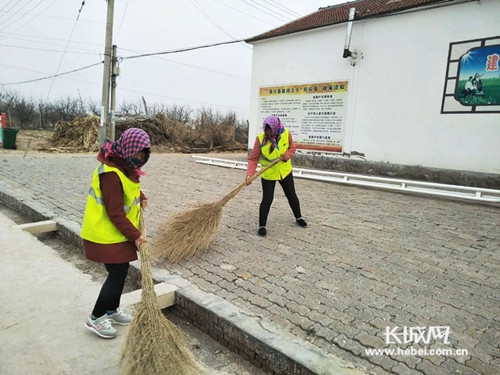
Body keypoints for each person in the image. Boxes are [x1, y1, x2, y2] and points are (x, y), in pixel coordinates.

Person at [81, 128, 151, 338]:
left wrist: (142, 195)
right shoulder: (110, 173)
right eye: (137, 155)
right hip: (103, 233)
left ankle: (112, 309)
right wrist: (136, 236)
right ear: (128, 149)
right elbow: (115, 212)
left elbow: (128, 184)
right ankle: (96, 317)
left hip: (116, 234)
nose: (139, 160)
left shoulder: (122, 165)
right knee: (117, 273)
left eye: (143, 156)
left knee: (120, 272)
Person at [246, 116, 307, 236]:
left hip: (285, 172)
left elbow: (292, 147)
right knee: (267, 200)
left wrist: (287, 155)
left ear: (275, 128)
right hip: (269, 174)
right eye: (266, 131)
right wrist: (249, 174)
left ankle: (298, 217)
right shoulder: (260, 140)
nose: (268, 133)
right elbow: (253, 159)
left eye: (270, 131)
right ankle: (262, 225)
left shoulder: (286, 133)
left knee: (292, 196)